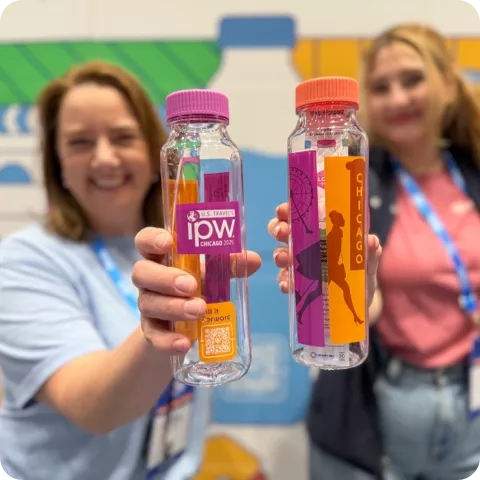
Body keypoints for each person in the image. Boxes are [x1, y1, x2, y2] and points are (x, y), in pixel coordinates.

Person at [0, 61, 261, 480]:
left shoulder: (184, 244)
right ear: (57, 164)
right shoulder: (23, 261)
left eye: (123, 137)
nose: (105, 158)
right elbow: (93, 409)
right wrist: (160, 330)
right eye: (80, 142)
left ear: (154, 151)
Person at [270, 23, 480, 480]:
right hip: (378, 404)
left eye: (412, 79)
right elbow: (370, 299)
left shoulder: (473, 172)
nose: (397, 98)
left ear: (447, 84)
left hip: (470, 404)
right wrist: (351, 295)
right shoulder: (352, 175)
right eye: (381, 87)